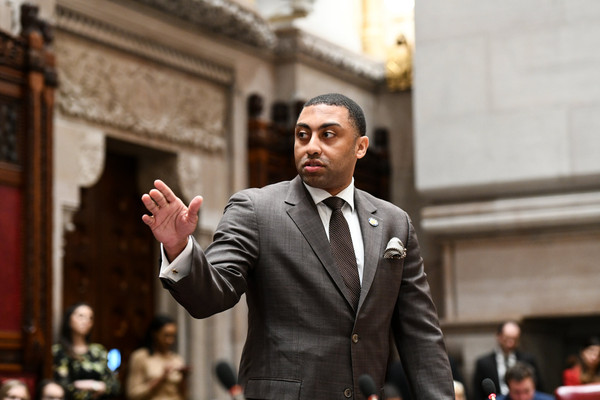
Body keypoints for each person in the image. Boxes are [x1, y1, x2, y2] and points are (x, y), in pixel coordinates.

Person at [141, 93, 454, 400]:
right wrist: (178, 245)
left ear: (360, 147)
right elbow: (209, 296)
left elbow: (421, 334)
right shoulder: (256, 210)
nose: (311, 147)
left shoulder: (393, 222)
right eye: (302, 136)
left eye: (328, 135)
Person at [52, 302, 120, 400]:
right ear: (69, 319)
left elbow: (115, 386)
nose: (86, 321)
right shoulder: (59, 351)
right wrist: (97, 387)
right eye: (81, 316)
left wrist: (90, 385)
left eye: (90, 318)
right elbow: (62, 386)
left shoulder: (98, 350)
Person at [472, 321, 542, 400]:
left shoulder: (528, 359)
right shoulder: (484, 363)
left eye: (514, 339)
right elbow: (478, 393)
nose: (510, 343)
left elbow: (538, 387)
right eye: (507, 339)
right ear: (498, 336)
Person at [126, 315, 189, 400]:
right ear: (154, 334)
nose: (170, 340)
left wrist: (184, 378)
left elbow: (184, 396)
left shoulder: (177, 359)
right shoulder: (141, 357)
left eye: (172, 336)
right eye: (166, 335)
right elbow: (133, 394)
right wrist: (161, 378)